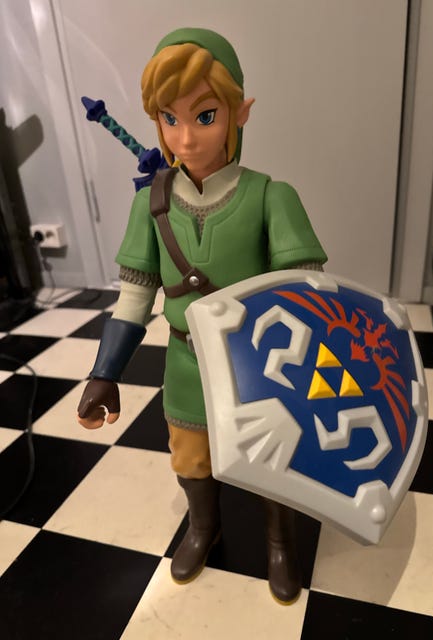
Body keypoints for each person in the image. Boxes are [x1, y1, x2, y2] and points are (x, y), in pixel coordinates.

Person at [77, 27, 327, 605]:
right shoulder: (151, 203)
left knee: (271, 456)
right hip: (187, 360)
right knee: (191, 456)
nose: (185, 137)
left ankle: (279, 543)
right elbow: (135, 295)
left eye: (205, 116)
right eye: (170, 119)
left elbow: (306, 290)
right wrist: (104, 371)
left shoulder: (271, 197)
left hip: (258, 362)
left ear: (241, 113)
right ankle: (203, 527)